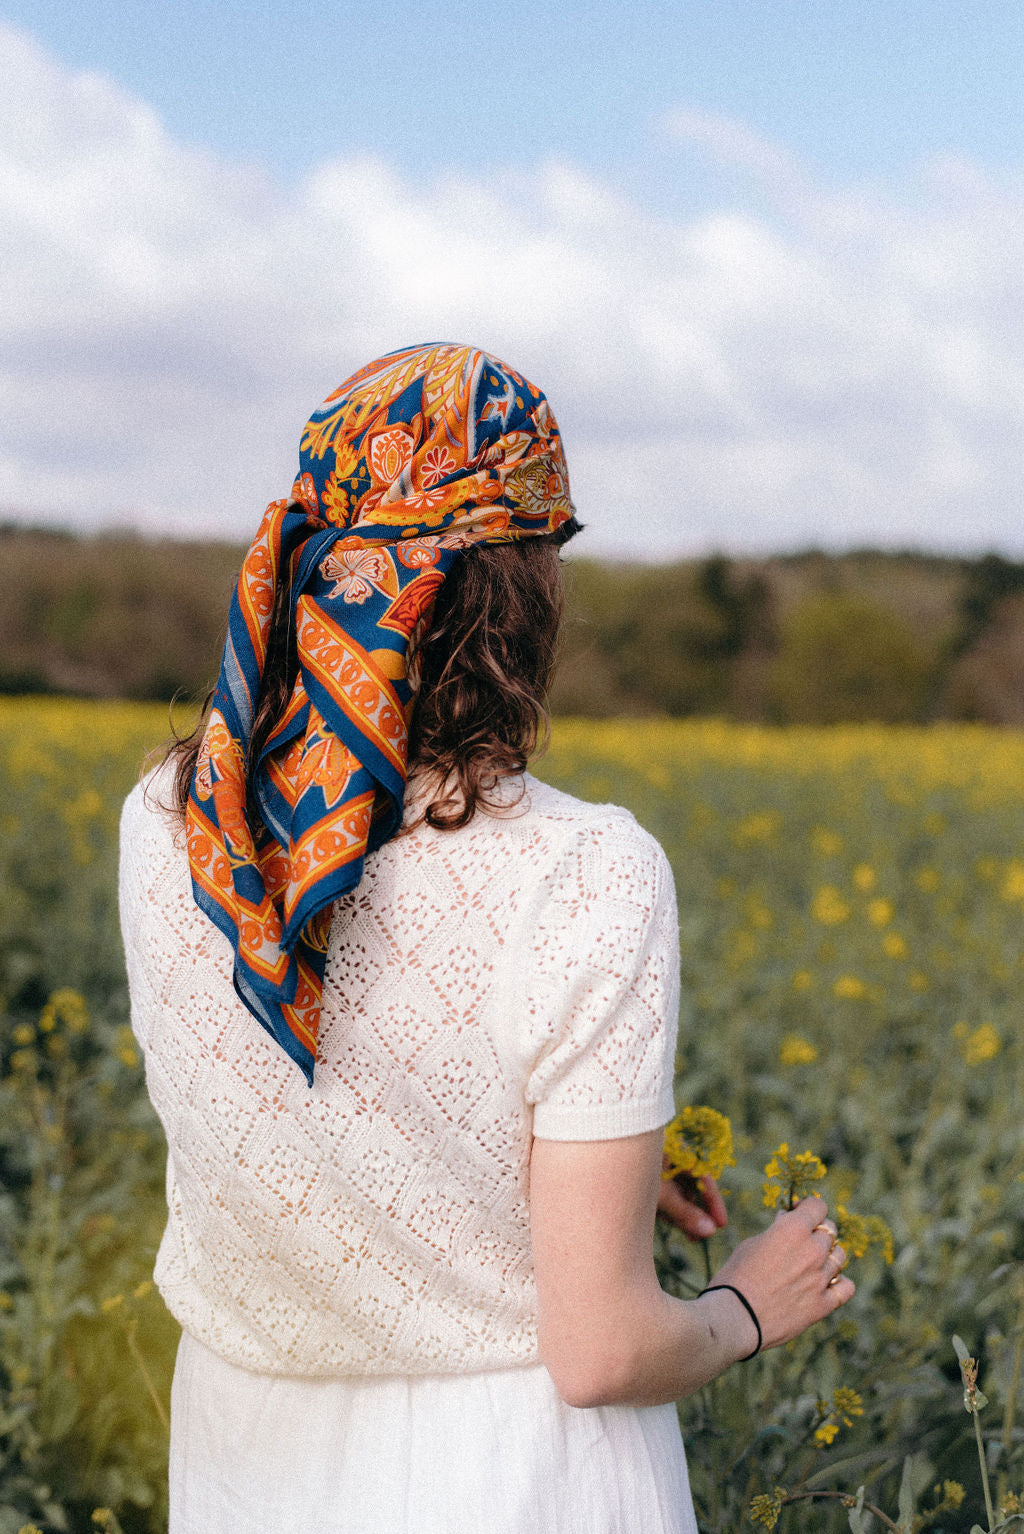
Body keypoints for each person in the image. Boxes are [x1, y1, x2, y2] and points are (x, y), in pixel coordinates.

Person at [118, 342, 853, 1534]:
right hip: (513, 1480)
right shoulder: (585, 870)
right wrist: (746, 1305)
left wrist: (565, 1168)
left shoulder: (166, 827)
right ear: (523, 593)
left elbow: (312, 1116)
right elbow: (602, 1352)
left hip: (247, 1464)